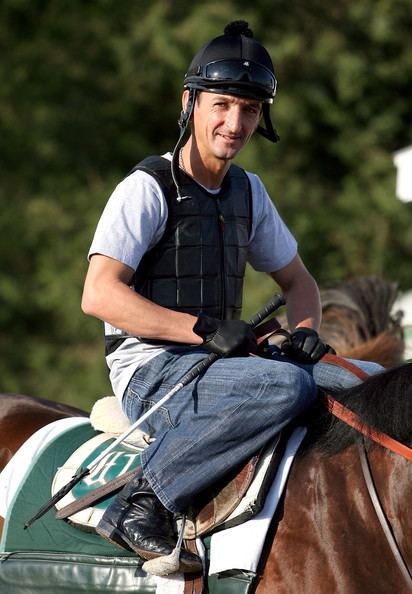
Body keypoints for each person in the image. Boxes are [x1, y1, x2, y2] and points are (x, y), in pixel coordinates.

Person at [82, 21, 381, 572]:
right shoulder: (147, 188)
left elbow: (299, 283)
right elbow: (99, 296)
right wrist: (200, 329)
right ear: (190, 103)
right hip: (154, 371)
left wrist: (308, 332)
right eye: (222, 106)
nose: (234, 123)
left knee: (365, 381)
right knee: (286, 384)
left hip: (226, 365)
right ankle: (144, 499)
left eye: (249, 110)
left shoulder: (248, 190)